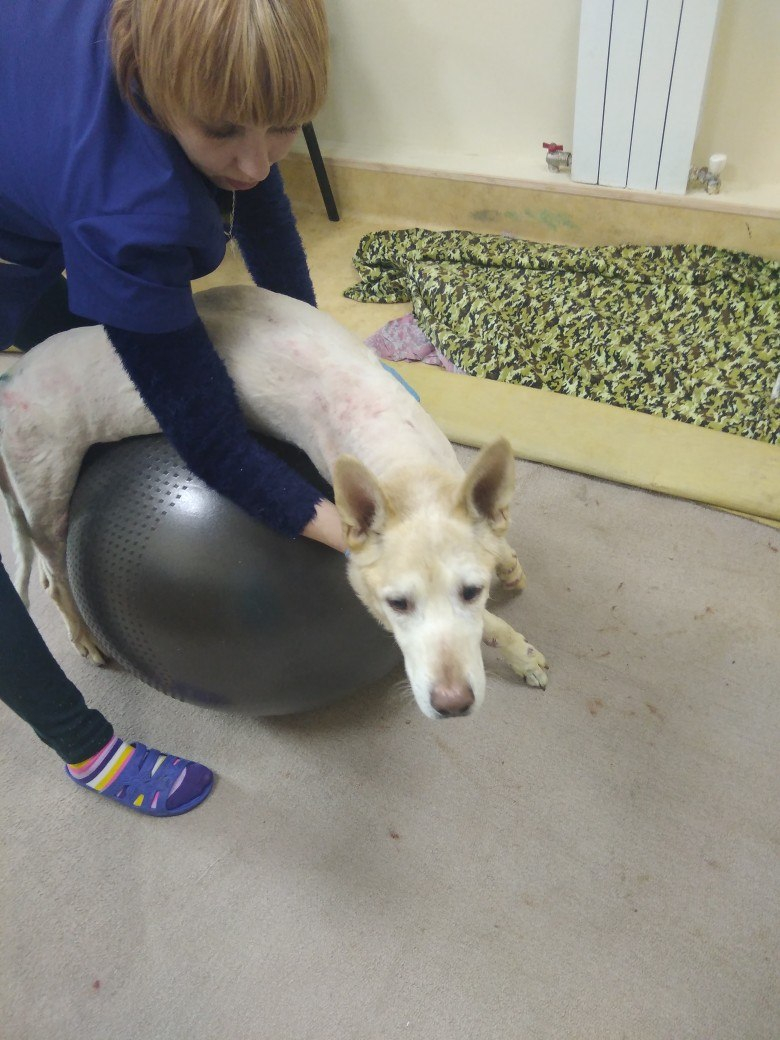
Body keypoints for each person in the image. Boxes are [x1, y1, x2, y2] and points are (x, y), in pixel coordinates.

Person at [0, 0, 341, 817]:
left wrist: (322, 363)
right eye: (223, 132)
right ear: (153, 86)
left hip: (34, 148)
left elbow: (256, 201)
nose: (255, 162)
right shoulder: (124, 204)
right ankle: (84, 747)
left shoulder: (195, 57)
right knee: (140, 335)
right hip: (58, 181)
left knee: (102, 337)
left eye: (283, 128)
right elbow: (209, 438)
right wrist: (343, 528)